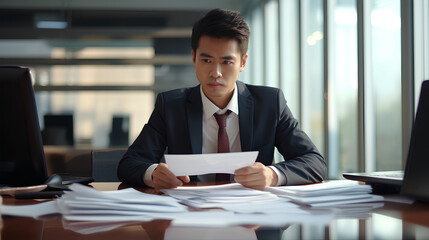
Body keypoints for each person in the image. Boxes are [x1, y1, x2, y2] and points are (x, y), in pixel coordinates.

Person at [117, 8, 327, 190]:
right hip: (190, 217)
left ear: (243, 62)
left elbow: (314, 162)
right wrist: (154, 173)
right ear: (193, 58)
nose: (215, 72)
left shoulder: (270, 103)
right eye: (206, 60)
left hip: (254, 218)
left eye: (226, 62)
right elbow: (129, 163)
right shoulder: (171, 106)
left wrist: (272, 175)